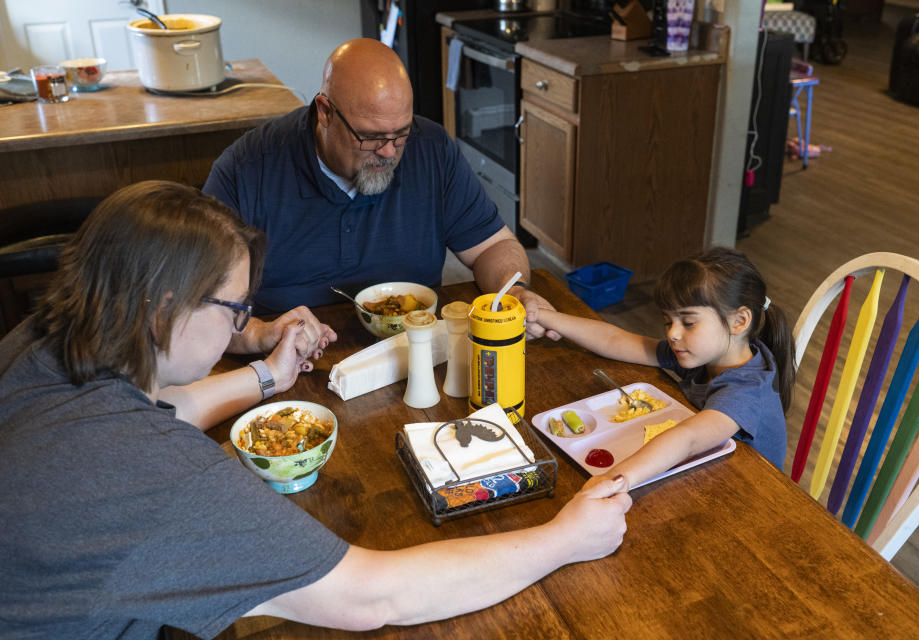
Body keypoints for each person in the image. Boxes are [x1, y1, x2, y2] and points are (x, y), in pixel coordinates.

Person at [0, 181, 631, 639]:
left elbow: (168, 409)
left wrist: (268, 377)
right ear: (166, 310)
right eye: (237, 311)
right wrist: (563, 539)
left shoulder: (47, 340)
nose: (245, 324)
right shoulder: (145, 472)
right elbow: (371, 596)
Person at [203, 37, 560, 340]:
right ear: (324, 112)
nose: (389, 152)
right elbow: (200, 306)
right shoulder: (248, 169)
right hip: (285, 360)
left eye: (401, 133)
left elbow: (493, 246)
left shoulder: (431, 149)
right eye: (370, 137)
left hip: (414, 348)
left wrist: (512, 291)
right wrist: (258, 336)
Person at [530, 247, 796, 487]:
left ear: (739, 321)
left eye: (688, 322)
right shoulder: (702, 353)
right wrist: (542, 316)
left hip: (751, 493)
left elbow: (688, 438)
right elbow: (614, 339)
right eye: (668, 321)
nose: (673, 334)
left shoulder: (747, 391)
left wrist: (614, 481)